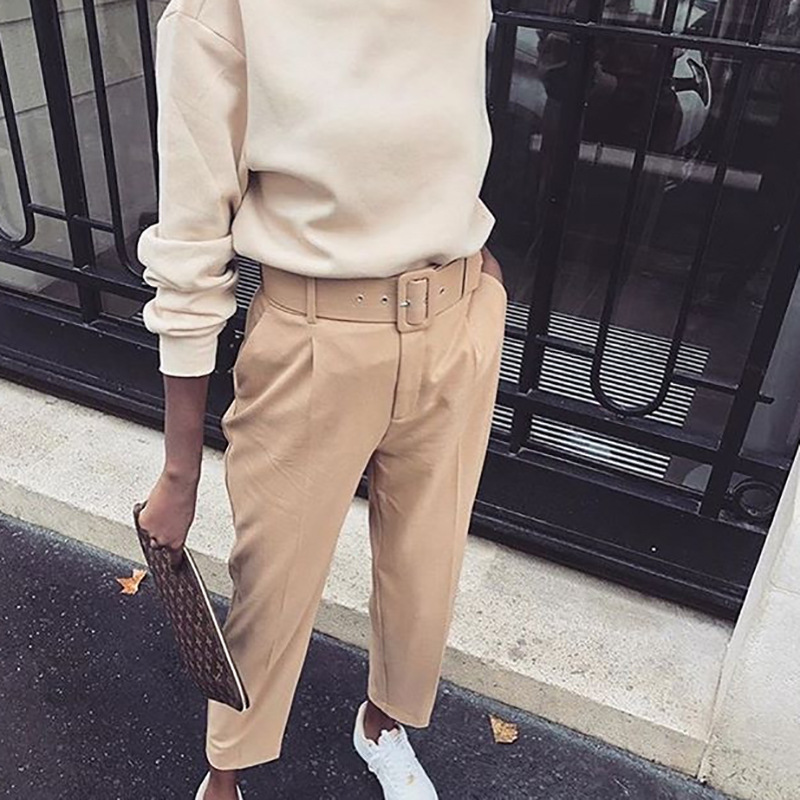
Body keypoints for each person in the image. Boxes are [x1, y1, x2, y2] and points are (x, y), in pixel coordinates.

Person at [135, 1, 506, 798]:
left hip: (457, 319)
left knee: (426, 570)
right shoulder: (218, 11)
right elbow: (191, 248)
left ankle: (383, 723)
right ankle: (226, 773)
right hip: (314, 333)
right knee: (272, 583)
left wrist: (477, 258)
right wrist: (179, 472)